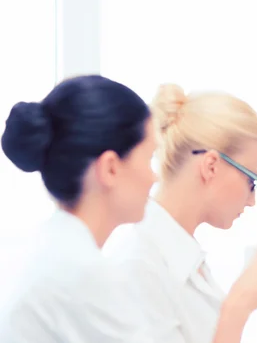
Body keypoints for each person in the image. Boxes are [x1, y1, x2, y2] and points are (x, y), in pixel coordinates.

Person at [102, 83, 257, 343]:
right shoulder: (138, 266)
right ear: (211, 166)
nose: (252, 200)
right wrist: (239, 306)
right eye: (251, 181)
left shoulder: (186, 260)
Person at [0, 75, 157, 342]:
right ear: (110, 168)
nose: (155, 177)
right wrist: (239, 305)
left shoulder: (57, 250)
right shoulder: (83, 273)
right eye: (149, 157)